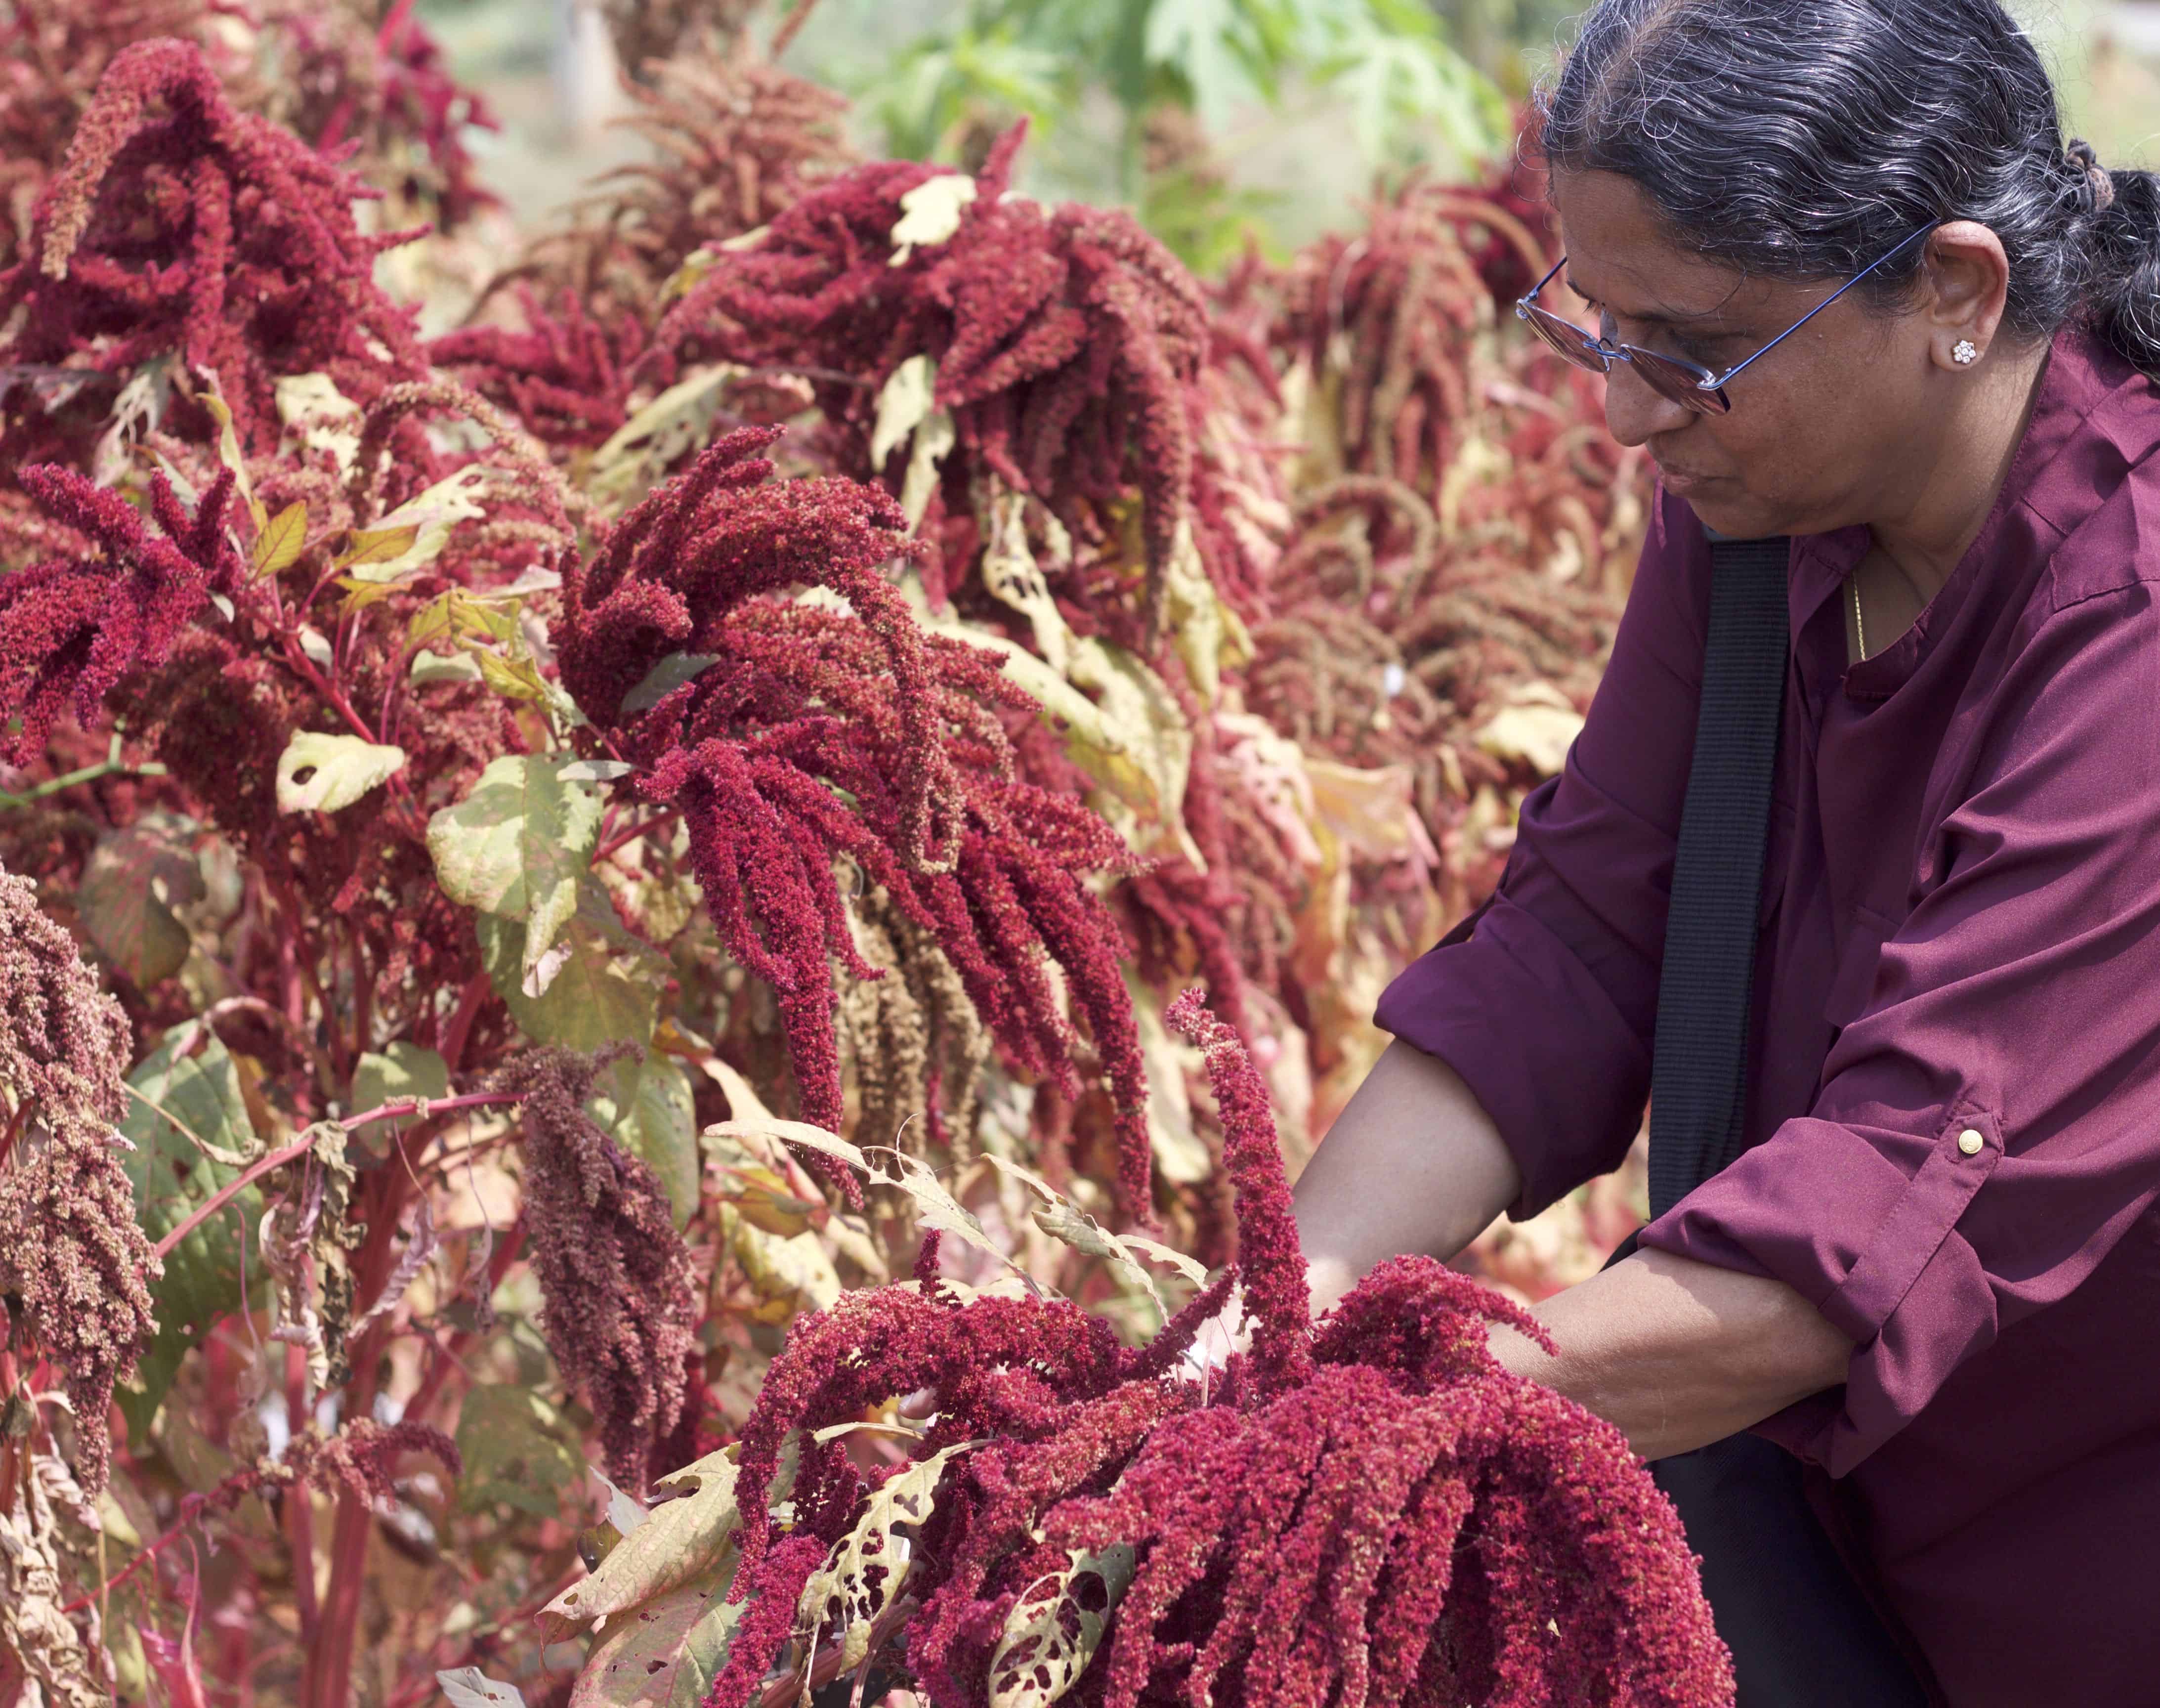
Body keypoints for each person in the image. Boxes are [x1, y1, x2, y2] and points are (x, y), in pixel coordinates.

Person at [1289, 1, 2160, 1703]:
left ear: (1959, 296)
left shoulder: (2129, 612)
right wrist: (1284, 1311)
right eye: (1593, 326)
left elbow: (1880, 1211)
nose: (1623, 412)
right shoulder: (1768, 485)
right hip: (1830, 1538)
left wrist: (1345, 1425)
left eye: (1686, 347)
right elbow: (1579, 939)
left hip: (2080, 1575)